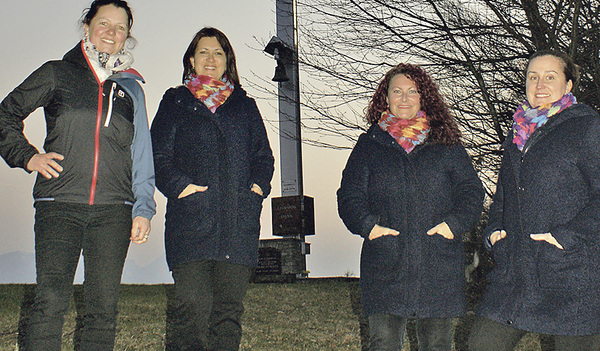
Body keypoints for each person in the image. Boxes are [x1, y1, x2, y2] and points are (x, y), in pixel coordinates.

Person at [0, 0, 155, 349]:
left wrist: (142, 207)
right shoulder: (57, 73)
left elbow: (141, 153)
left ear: (127, 37)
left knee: (103, 310)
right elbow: (4, 116)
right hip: (60, 205)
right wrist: (29, 158)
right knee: (50, 303)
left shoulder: (131, 89)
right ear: (87, 27)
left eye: (120, 28)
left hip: (114, 210)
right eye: (104, 24)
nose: (111, 33)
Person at [337, 63, 484, 351]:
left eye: (412, 92)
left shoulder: (446, 144)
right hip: (385, 265)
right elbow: (349, 195)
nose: (404, 99)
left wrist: (454, 225)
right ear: (386, 98)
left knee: (438, 344)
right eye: (397, 92)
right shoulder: (369, 145)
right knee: (383, 344)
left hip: (437, 264)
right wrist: (368, 226)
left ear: (423, 98)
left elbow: (471, 191)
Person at [151, 27, 274, 351]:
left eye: (218, 53)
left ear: (227, 61)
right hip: (191, 225)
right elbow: (158, 157)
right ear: (191, 59)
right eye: (203, 52)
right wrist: (181, 187)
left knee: (228, 315)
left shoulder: (244, 106)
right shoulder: (175, 101)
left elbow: (263, 156)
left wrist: (258, 189)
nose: (210, 58)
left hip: (238, 225)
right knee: (192, 310)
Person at [468, 51, 600, 350]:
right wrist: (495, 231)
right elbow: (502, 195)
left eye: (550, 76)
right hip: (515, 272)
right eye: (532, 76)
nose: (539, 84)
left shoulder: (587, 127)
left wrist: (566, 237)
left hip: (572, 274)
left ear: (568, 85)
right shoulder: (518, 133)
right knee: (482, 344)